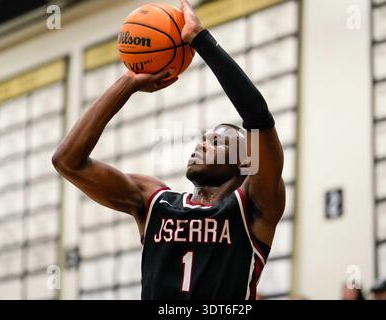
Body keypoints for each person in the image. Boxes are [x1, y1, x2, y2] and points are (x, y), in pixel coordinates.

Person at [52, 0, 285, 300]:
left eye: (217, 142)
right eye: (203, 139)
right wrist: (129, 82)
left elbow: (258, 119)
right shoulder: (154, 201)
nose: (202, 144)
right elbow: (67, 162)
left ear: (246, 162)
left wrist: (201, 40)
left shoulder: (253, 206)